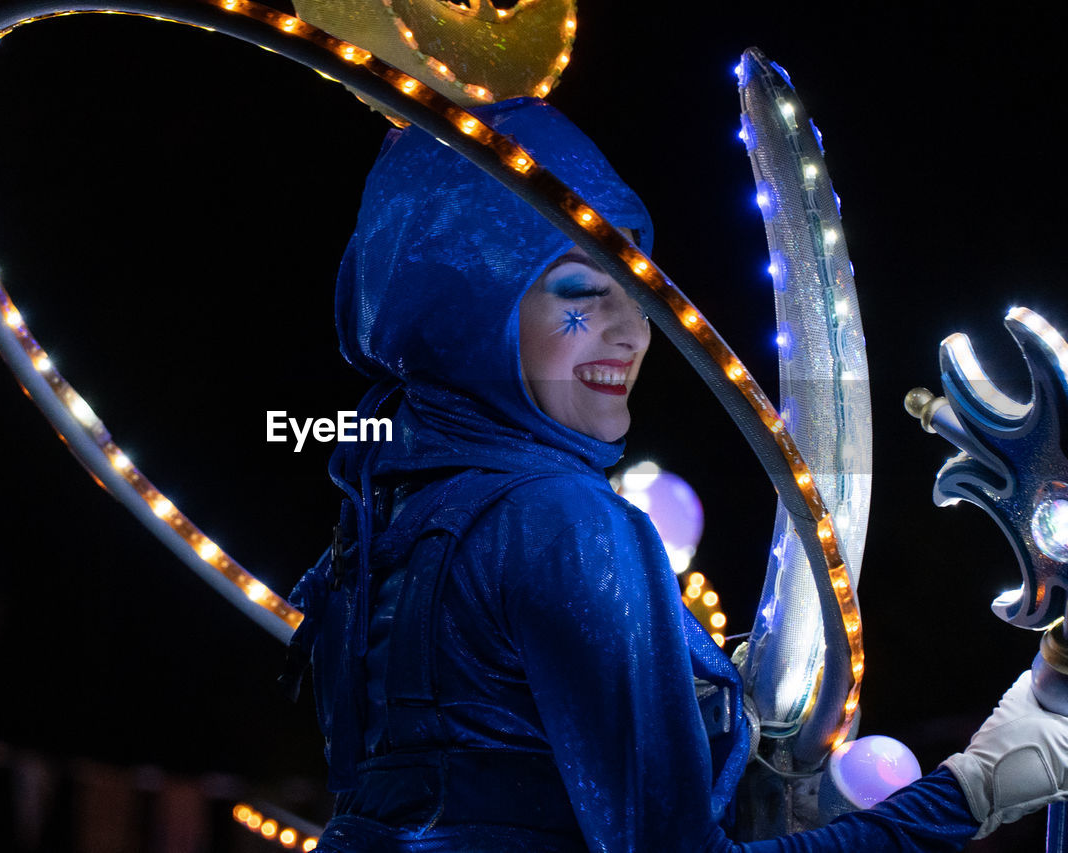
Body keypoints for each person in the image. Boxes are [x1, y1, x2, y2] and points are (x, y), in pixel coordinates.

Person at [286, 97, 1067, 851]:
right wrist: (974, 789)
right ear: (468, 307)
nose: (631, 332)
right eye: (581, 293)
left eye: (636, 290)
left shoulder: (380, 516)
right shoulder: (559, 518)